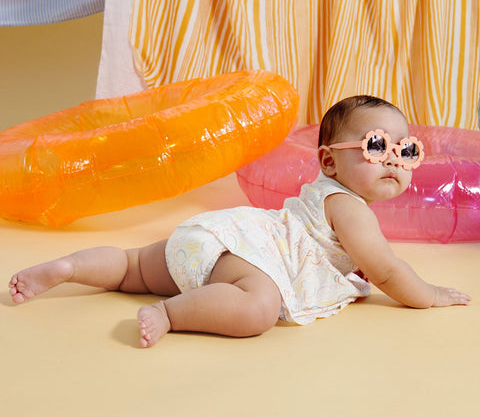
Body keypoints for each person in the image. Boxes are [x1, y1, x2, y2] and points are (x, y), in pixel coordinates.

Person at [8, 95, 471, 348]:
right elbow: (386, 269)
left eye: (406, 150)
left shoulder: (329, 197)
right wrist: (428, 294)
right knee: (258, 308)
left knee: (133, 266)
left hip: (216, 236)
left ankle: (69, 268)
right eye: (376, 146)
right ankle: (170, 313)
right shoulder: (349, 207)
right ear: (329, 161)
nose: (393, 160)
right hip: (249, 256)